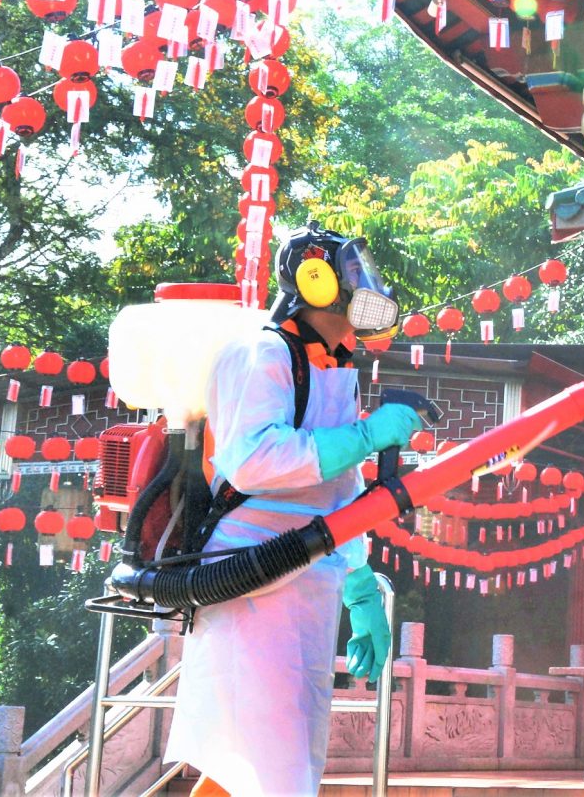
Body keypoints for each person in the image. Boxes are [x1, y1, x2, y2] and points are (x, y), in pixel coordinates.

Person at [165, 225, 425, 797]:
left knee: (269, 764)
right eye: (353, 273)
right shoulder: (259, 353)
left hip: (309, 575)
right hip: (249, 575)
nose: (368, 285)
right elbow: (254, 460)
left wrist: (359, 586)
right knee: (265, 764)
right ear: (316, 280)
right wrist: (366, 435)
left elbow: (338, 492)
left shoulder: (335, 366)